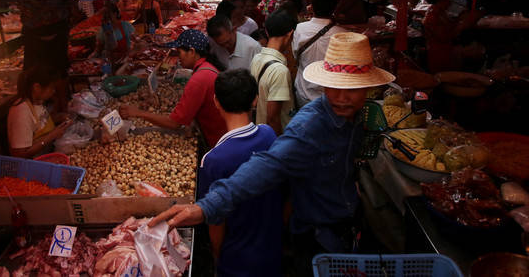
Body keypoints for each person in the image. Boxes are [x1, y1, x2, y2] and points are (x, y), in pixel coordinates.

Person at [150, 33, 396, 275]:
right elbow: (267, 165)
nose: (342, 98)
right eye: (333, 87)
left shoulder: (355, 118)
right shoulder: (310, 125)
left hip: (344, 221)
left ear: (368, 89)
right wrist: (206, 207)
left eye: (351, 89)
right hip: (316, 235)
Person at [199, 69, 282, 277]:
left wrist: (217, 256)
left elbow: (215, 221)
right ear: (255, 100)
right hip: (272, 248)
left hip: (236, 259)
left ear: (216, 102)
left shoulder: (213, 161)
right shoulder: (269, 135)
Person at [119, 29, 227, 147]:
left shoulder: (199, 78)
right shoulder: (208, 67)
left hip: (218, 140)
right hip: (222, 134)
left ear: (191, 51)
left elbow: (175, 123)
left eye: (179, 52)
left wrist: (138, 113)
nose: (178, 57)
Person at [292, 0, 347, 108]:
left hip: (304, 94)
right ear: (334, 7)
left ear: (312, 6)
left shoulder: (300, 29)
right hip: (331, 99)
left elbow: (295, 56)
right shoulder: (342, 34)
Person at [7, 66, 73, 159]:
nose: (54, 92)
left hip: (49, 151)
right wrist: (52, 135)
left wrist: (59, 117)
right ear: (37, 87)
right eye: (52, 88)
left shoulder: (38, 101)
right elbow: (20, 154)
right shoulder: (21, 112)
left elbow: (39, 122)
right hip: (34, 162)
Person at [250, 9, 297, 134]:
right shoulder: (280, 71)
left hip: (261, 132)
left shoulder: (257, 58)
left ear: (266, 31)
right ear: (290, 34)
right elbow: (273, 118)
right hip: (274, 138)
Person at [422, 0, 481, 73]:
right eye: (448, 1)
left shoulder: (440, 12)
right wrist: (461, 26)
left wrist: (461, 18)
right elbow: (443, 37)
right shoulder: (432, 17)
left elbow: (449, 25)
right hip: (439, 54)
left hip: (448, 52)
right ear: (440, 1)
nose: (450, 3)